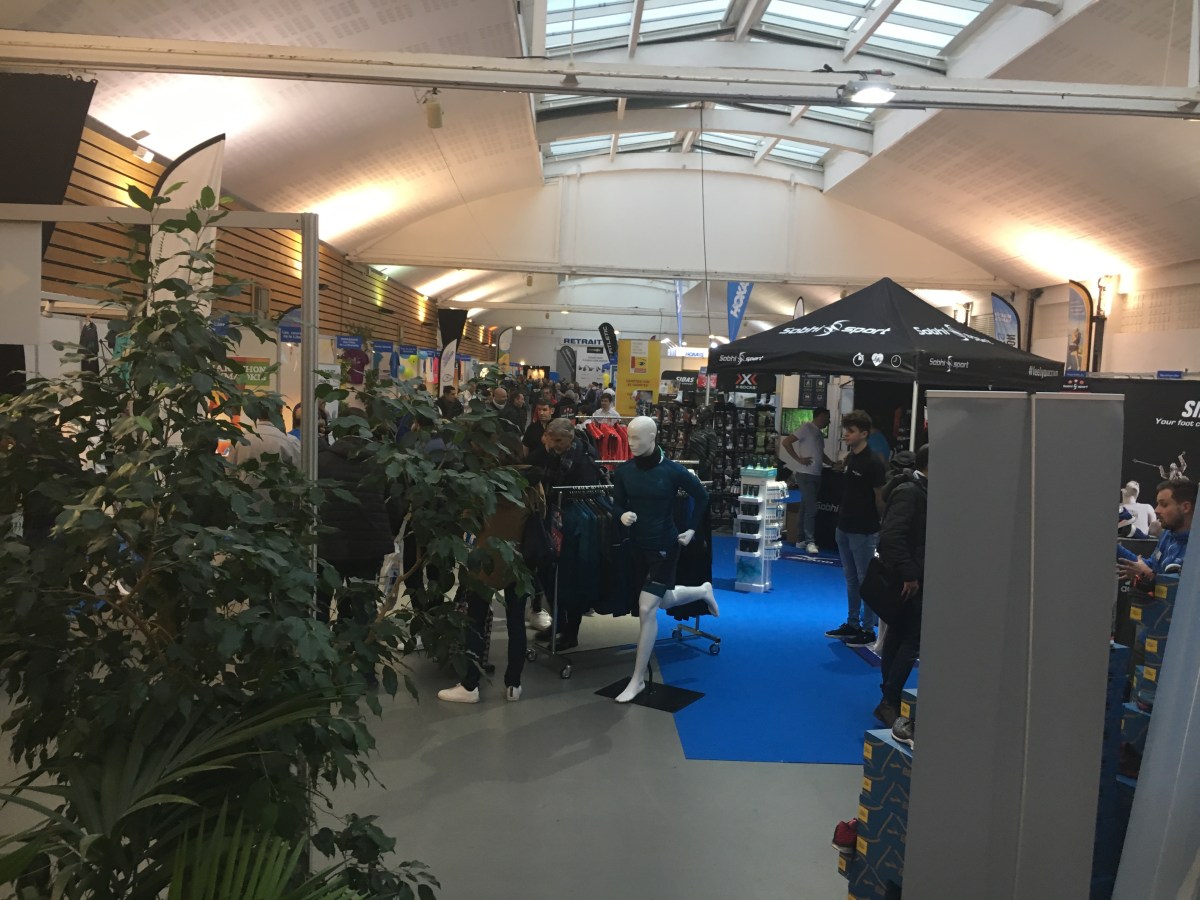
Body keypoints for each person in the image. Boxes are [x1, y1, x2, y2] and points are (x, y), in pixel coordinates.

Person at [611, 416, 717, 703]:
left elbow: (702, 496)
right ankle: (702, 590)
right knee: (665, 600)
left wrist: (691, 529)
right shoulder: (624, 472)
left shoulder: (672, 471)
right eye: (629, 437)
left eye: (637, 438)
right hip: (638, 546)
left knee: (647, 609)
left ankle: (637, 680)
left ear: (653, 436)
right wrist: (621, 514)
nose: (631, 443)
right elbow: (616, 502)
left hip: (665, 546)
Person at [528, 417, 604, 649]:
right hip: (553, 520)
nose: (554, 444)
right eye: (552, 439)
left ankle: (571, 632)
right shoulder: (554, 453)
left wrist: (547, 480)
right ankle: (559, 622)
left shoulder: (584, 459)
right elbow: (531, 464)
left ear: (569, 438)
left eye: (558, 440)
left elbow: (584, 495)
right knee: (548, 574)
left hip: (574, 524)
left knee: (570, 578)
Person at [874, 443, 929, 727]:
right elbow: (892, 536)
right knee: (909, 639)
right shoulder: (911, 492)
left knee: (898, 636)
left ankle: (889, 698)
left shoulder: (914, 489)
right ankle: (889, 700)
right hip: (909, 578)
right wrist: (910, 575)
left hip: (909, 575)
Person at [825, 410, 887, 648]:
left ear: (864, 433)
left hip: (864, 530)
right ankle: (852, 623)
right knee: (851, 579)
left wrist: (880, 525)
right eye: (846, 430)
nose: (846, 435)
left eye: (851, 431)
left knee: (865, 581)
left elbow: (879, 497)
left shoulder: (873, 463)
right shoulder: (851, 458)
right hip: (844, 526)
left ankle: (867, 629)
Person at [1117, 479, 1195, 587]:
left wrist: (1146, 574)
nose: (1156, 510)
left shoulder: (1195, 548)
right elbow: (1151, 566)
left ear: (1185, 507)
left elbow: (1183, 589)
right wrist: (1112, 546)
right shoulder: (1168, 534)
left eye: (1164, 504)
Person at [779, 408, 832, 554]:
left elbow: (820, 454)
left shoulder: (818, 433)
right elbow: (787, 442)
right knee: (811, 508)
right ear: (820, 416)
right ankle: (810, 541)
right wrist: (798, 459)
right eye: (827, 418)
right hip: (806, 474)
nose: (829, 421)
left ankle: (800, 539)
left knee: (805, 507)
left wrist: (832, 463)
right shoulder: (807, 427)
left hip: (816, 474)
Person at [229, 409, 300, 467]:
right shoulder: (290, 442)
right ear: (280, 413)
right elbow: (300, 472)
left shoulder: (239, 439)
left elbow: (229, 469)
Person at [684, 408, 719, 481]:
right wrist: (685, 461)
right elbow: (690, 447)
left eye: (698, 415)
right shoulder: (696, 430)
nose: (696, 417)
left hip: (702, 467)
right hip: (691, 464)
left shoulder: (710, 432)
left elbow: (712, 453)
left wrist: (704, 467)